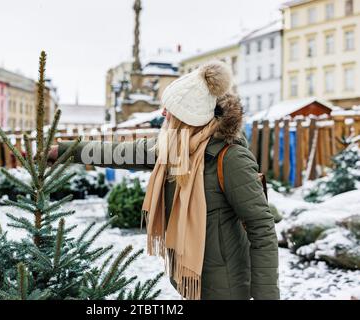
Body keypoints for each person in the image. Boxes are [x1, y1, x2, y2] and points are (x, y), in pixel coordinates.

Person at [48, 61, 280, 300]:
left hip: (226, 288)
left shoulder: (231, 158)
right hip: (191, 283)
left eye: (170, 109)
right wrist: (63, 151)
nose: (163, 114)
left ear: (188, 116)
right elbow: (116, 152)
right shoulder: (172, 149)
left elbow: (262, 229)